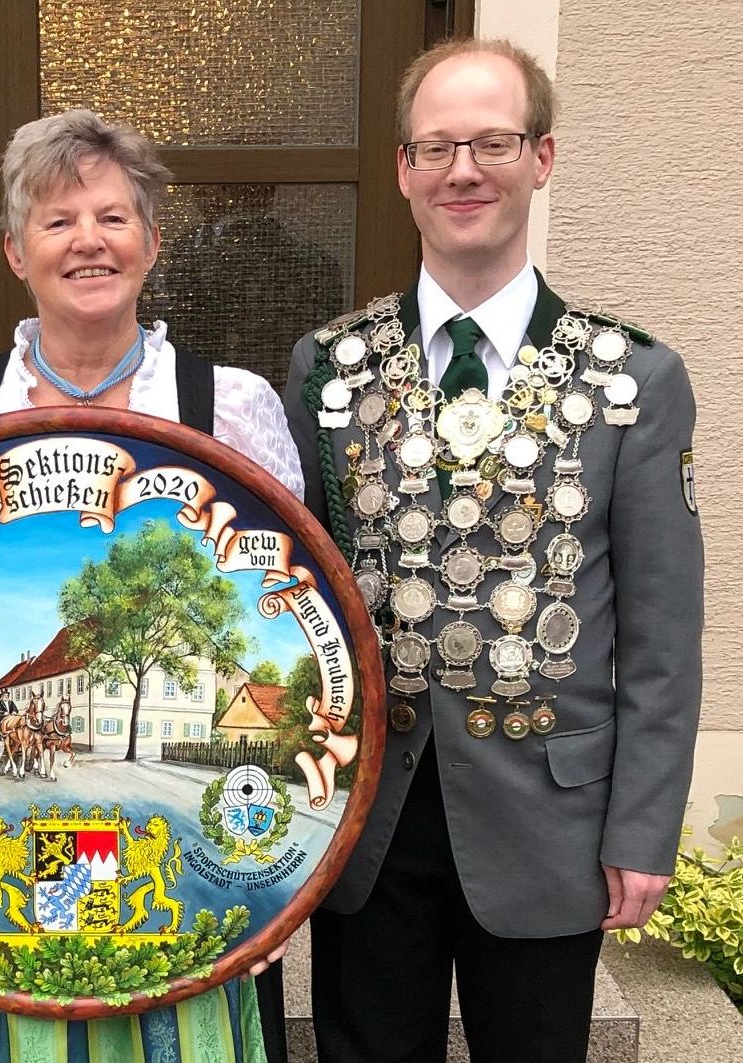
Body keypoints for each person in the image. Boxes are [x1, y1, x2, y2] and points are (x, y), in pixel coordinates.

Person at [283, 38, 703, 1063]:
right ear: (403, 170)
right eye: (435, 147)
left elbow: (660, 638)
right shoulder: (329, 368)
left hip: (550, 821)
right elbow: (289, 597)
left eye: (491, 143)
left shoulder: (629, 379)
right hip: (365, 818)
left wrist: (641, 829)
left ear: (541, 157)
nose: (461, 171)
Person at [0, 108, 301, 1063]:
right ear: (15, 251)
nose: (87, 241)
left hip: (180, 912)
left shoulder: (230, 405)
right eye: (57, 220)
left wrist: (281, 871)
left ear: (151, 240)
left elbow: (294, 612)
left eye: (112, 217)